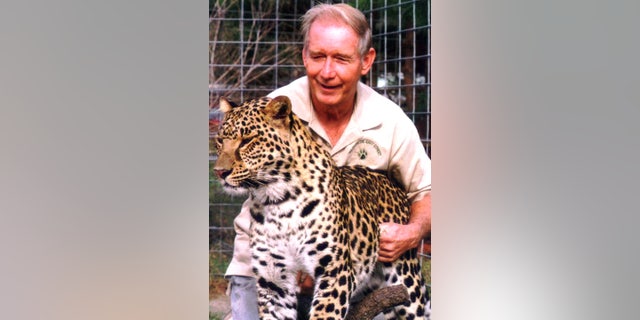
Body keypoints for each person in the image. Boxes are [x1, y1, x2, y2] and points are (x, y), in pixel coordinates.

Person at [224, 3, 431, 319]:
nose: (327, 71)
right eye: (318, 56)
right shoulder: (274, 111)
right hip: (269, 260)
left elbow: (427, 192)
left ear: (366, 61)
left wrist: (413, 231)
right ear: (305, 56)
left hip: (353, 264)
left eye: (342, 58)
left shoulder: (390, 120)